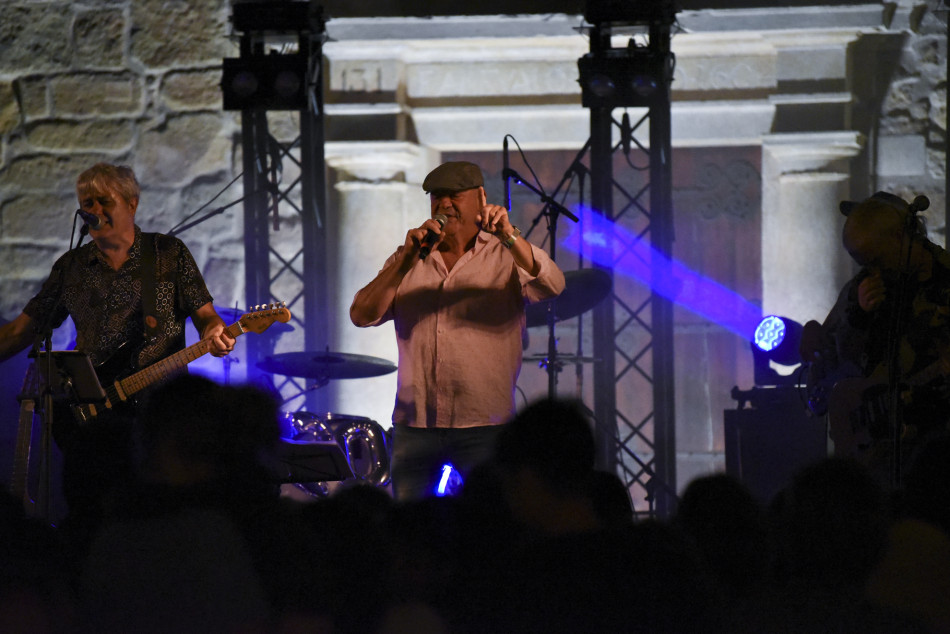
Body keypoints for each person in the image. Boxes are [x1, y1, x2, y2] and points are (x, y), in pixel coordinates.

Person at [0, 162, 235, 534]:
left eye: (104, 201)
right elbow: (20, 331)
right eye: (87, 203)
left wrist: (215, 331)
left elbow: (206, 316)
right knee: (94, 514)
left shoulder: (168, 253)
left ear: (131, 204)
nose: (94, 209)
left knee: (160, 517)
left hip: (160, 413)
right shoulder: (71, 266)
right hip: (92, 415)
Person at [349, 160, 565, 500]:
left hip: (485, 425)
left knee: (490, 518)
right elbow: (361, 315)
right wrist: (404, 262)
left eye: (454, 195)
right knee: (411, 523)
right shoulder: (409, 258)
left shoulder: (504, 255)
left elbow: (553, 284)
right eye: (437, 196)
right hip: (416, 425)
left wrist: (509, 235)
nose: (444, 204)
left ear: (481, 198)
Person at [799, 191, 950, 478]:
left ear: (899, 237)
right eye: (864, 262)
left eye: (878, 260)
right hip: (877, 449)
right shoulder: (865, 285)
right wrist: (856, 318)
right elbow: (830, 366)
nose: (872, 270)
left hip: (934, 447)